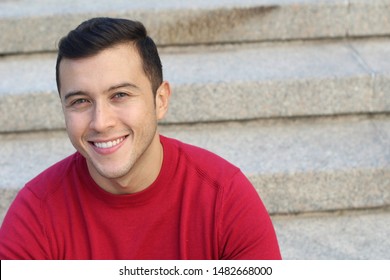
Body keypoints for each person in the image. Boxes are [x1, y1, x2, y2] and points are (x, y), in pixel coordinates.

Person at [0, 17, 281, 260]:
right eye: (81, 101)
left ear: (160, 101)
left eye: (120, 95)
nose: (101, 121)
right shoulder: (36, 213)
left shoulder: (224, 198)